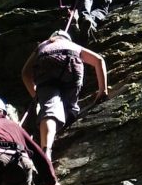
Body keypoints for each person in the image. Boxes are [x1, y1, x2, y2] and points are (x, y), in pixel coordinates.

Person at [21, 31, 108, 159]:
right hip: (71, 61)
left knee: (49, 110)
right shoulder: (71, 44)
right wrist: (103, 90)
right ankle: (70, 114)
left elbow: (25, 73)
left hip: (46, 64)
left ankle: (46, 149)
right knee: (69, 107)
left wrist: (37, 96)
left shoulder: (42, 45)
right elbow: (99, 60)